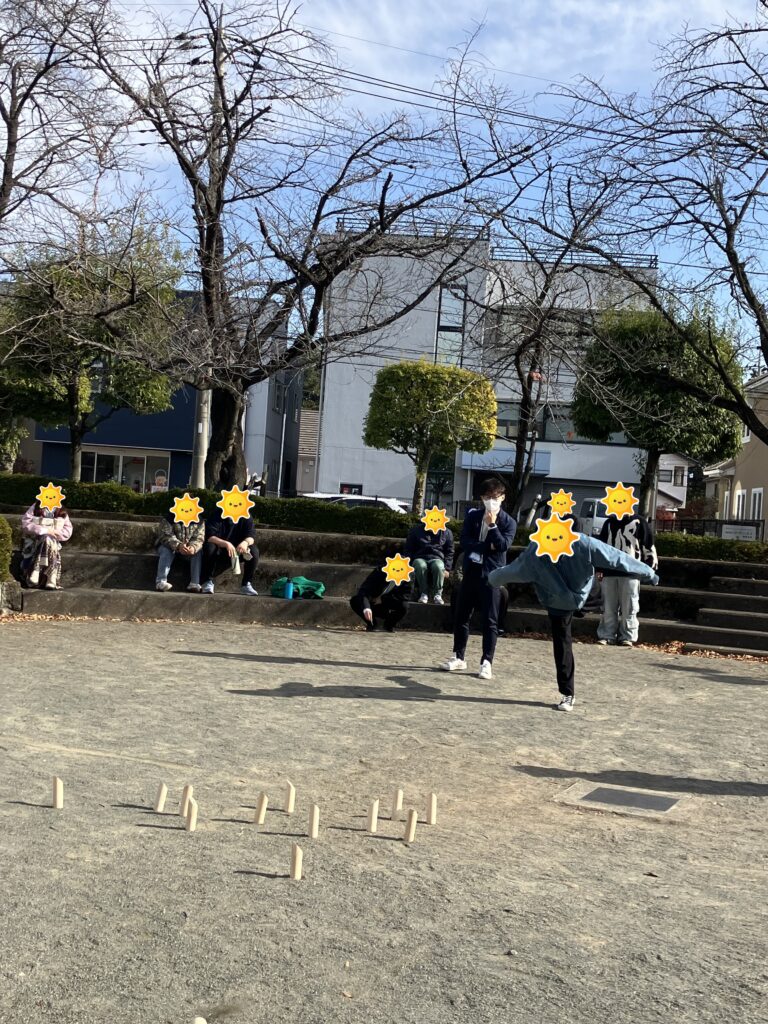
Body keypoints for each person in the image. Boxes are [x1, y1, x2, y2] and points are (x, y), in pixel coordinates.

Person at [488, 520, 659, 711]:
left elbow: (616, 558)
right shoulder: (537, 553)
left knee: (570, 628)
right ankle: (568, 692)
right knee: (562, 643)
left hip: (578, 597)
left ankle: (568, 694)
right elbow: (511, 571)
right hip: (561, 601)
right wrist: (492, 579)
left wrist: (648, 572)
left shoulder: (581, 544)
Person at [441, 477, 516, 680]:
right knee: (461, 616)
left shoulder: (508, 522)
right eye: (487, 497)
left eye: (495, 497)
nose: (491, 501)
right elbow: (465, 542)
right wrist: (486, 546)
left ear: (502, 497)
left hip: (493, 576)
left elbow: (502, 545)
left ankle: (486, 662)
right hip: (471, 572)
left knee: (490, 620)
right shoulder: (473, 517)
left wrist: (492, 526)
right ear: (481, 498)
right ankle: (459, 656)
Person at [597, 512, 658, 648]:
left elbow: (648, 546)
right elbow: (600, 547)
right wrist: (599, 569)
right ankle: (607, 635)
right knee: (608, 606)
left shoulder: (639, 522)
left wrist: (649, 569)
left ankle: (628, 636)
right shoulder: (609, 523)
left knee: (630, 607)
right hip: (609, 572)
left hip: (632, 572)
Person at [201, 507, 259, 595]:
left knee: (254, 551)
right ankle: (207, 581)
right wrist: (225, 543)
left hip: (239, 551)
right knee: (209, 547)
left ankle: (247, 584)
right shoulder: (217, 514)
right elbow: (209, 536)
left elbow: (251, 536)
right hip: (219, 549)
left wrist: (245, 543)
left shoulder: (246, 515)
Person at [350, 555, 412, 632]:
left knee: (404, 606)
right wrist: (367, 608)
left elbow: (405, 596)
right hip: (372, 602)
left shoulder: (408, 576)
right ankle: (372, 624)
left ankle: (389, 625)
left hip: (389, 604)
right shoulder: (379, 571)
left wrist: (382, 599)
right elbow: (364, 590)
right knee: (355, 601)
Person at [20, 500, 72, 589]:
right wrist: (45, 530)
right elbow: (26, 523)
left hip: (52, 542)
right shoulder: (36, 507)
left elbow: (68, 530)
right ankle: (51, 577)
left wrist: (56, 532)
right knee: (46, 537)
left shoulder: (60, 509)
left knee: (48, 539)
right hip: (35, 541)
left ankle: (36, 570)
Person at [404, 519, 454, 605]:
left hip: (437, 558)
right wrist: (408, 565)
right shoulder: (416, 530)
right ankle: (423, 593)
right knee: (420, 565)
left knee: (438, 567)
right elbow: (408, 549)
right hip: (419, 557)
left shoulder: (447, 532)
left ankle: (438, 594)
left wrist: (447, 568)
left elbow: (450, 552)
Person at [154, 512, 205, 592]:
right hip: (169, 546)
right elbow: (166, 536)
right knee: (166, 550)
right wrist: (178, 545)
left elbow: (199, 538)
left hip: (188, 548)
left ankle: (194, 583)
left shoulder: (199, 520)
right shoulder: (169, 518)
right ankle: (161, 581)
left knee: (198, 551)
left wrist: (193, 547)